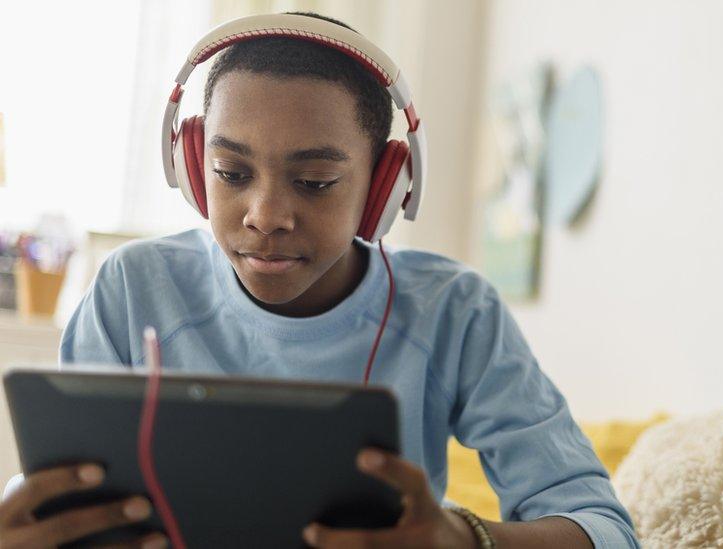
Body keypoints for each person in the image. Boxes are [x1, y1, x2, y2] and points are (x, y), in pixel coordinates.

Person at [0, 11, 638, 548]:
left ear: (384, 188)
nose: (266, 216)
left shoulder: (452, 310)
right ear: (192, 167)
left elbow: (605, 529)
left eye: (315, 183)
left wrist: (462, 537)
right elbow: (60, 495)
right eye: (230, 172)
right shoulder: (132, 289)